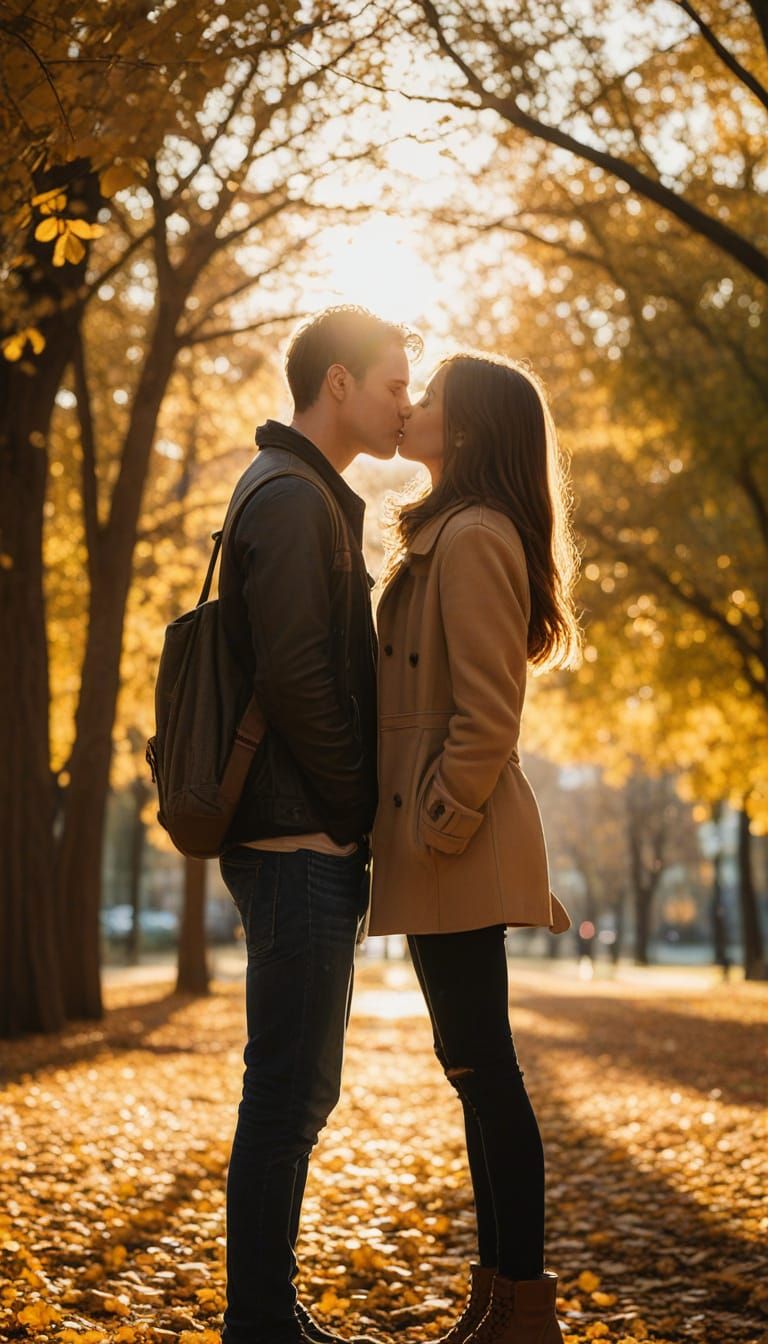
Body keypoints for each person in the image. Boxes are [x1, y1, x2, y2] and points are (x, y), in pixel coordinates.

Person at [368, 353, 581, 1344]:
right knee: (472, 1070)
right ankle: (498, 1299)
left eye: (432, 395)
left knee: (485, 1072)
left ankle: (523, 1308)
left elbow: (488, 718)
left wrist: (436, 824)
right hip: (437, 838)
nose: (412, 406)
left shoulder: (476, 536)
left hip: (458, 839)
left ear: (469, 428)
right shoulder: (452, 530)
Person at [217, 306, 420, 1344]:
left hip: (299, 835)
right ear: (336, 383)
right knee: (288, 1088)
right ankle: (257, 1321)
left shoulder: (298, 492)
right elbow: (298, 675)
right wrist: (354, 809)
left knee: (296, 1086)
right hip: (300, 838)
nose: (406, 403)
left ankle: (263, 1309)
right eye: (393, 382)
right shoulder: (295, 499)